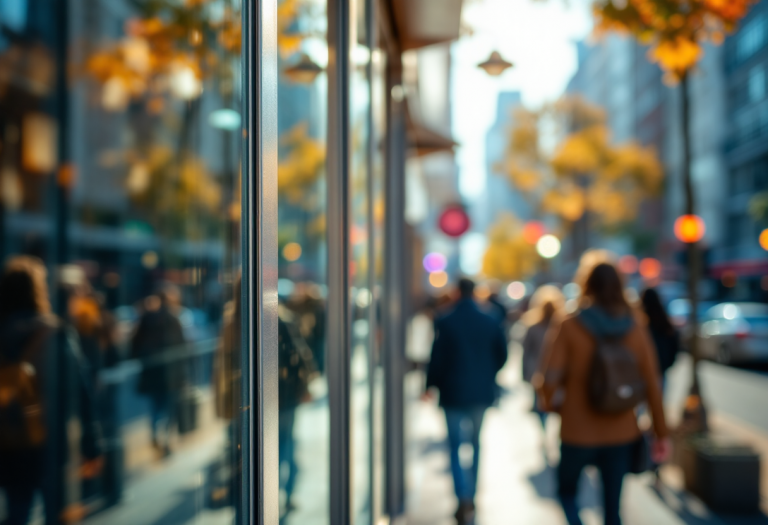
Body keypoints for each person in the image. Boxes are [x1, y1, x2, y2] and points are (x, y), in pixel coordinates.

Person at [536, 262, 670, 525]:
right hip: (621, 429)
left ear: (586, 284)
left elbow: (548, 378)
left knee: (566, 492)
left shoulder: (570, 323)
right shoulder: (634, 325)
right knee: (613, 508)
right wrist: (660, 432)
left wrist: (552, 404)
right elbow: (652, 383)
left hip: (577, 428)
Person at [0, 256, 102, 525]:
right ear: (38, 291)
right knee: (56, 511)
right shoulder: (55, 333)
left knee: (16, 509)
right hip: (50, 440)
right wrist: (92, 444)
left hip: (7, 441)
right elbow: (83, 389)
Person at [424, 278, 508, 524]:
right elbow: (501, 354)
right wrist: (488, 375)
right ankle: (471, 494)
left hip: (452, 392)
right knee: (476, 444)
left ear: (457, 292)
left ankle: (462, 495)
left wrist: (429, 385)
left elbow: (436, 357)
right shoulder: (490, 318)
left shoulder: (446, 319)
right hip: (480, 392)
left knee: (454, 446)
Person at [130, 284, 186, 458]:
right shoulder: (173, 318)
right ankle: (166, 440)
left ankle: (155, 435)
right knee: (168, 408)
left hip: (153, 372)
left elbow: (135, 343)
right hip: (170, 373)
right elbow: (181, 347)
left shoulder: (147, 317)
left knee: (156, 406)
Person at [521, 285, 565, 430]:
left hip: (538, 371)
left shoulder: (537, 326)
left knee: (541, 404)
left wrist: (525, 373)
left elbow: (526, 352)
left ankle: (545, 429)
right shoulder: (560, 326)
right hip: (551, 371)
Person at [641, 288, 680, 385]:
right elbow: (674, 345)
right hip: (661, 369)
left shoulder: (641, 323)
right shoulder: (664, 321)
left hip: (644, 372)